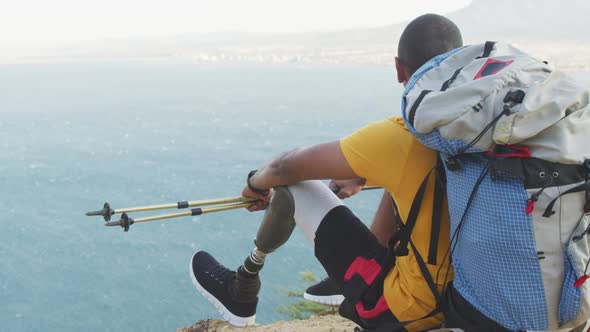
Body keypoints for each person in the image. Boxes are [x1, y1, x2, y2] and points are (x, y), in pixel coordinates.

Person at [190, 14, 462, 331]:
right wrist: (366, 175)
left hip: (408, 311)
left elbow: (285, 167)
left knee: (295, 187)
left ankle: (242, 287)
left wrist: (255, 183)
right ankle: (353, 277)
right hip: (467, 299)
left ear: (399, 68)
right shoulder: (480, 129)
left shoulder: (407, 135)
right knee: (397, 188)